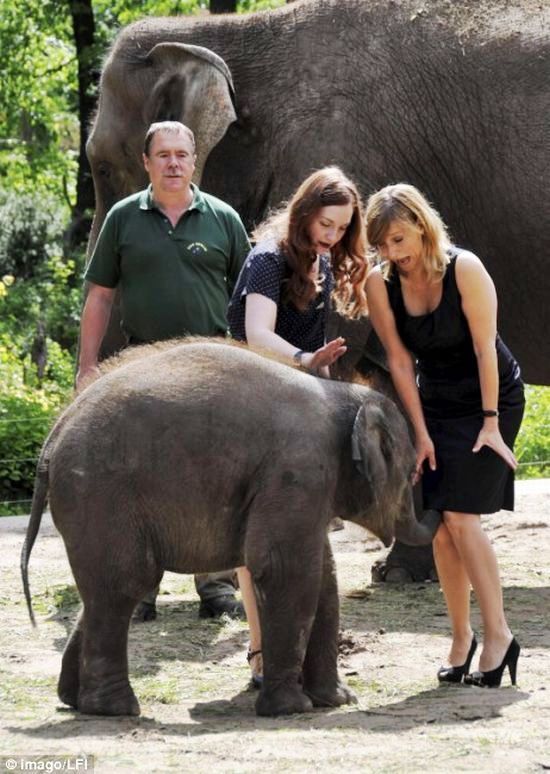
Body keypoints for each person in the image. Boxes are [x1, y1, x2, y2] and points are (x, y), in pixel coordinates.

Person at [77, 120, 251, 621]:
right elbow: (100, 296)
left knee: (214, 478)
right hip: (144, 371)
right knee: (141, 478)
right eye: (163, 155)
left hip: (212, 371)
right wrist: (87, 366)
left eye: (181, 154)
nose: (173, 163)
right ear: (146, 162)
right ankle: (140, 589)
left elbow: (250, 298)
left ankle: (216, 588)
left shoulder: (223, 219)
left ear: (194, 161)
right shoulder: (122, 218)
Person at [364, 183, 524, 687]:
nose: (392, 253)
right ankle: (461, 639)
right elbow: (398, 361)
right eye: (382, 245)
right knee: (439, 528)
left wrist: (492, 424)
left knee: (460, 516)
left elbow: (484, 349)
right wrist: (420, 432)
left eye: (398, 240)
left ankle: (499, 636)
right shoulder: (380, 283)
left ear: (420, 225)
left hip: (489, 399)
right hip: (433, 405)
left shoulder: (465, 269)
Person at [227, 166, 369, 685]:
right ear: (305, 213)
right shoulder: (268, 258)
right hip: (252, 403)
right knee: (251, 536)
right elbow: (256, 333)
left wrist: (328, 389)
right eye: (325, 224)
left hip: (298, 408)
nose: (332, 236)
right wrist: (308, 360)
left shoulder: (321, 262)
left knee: (306, 531)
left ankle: (306, 651)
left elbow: (315, 351)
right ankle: (260, 649)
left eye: (342, 228)